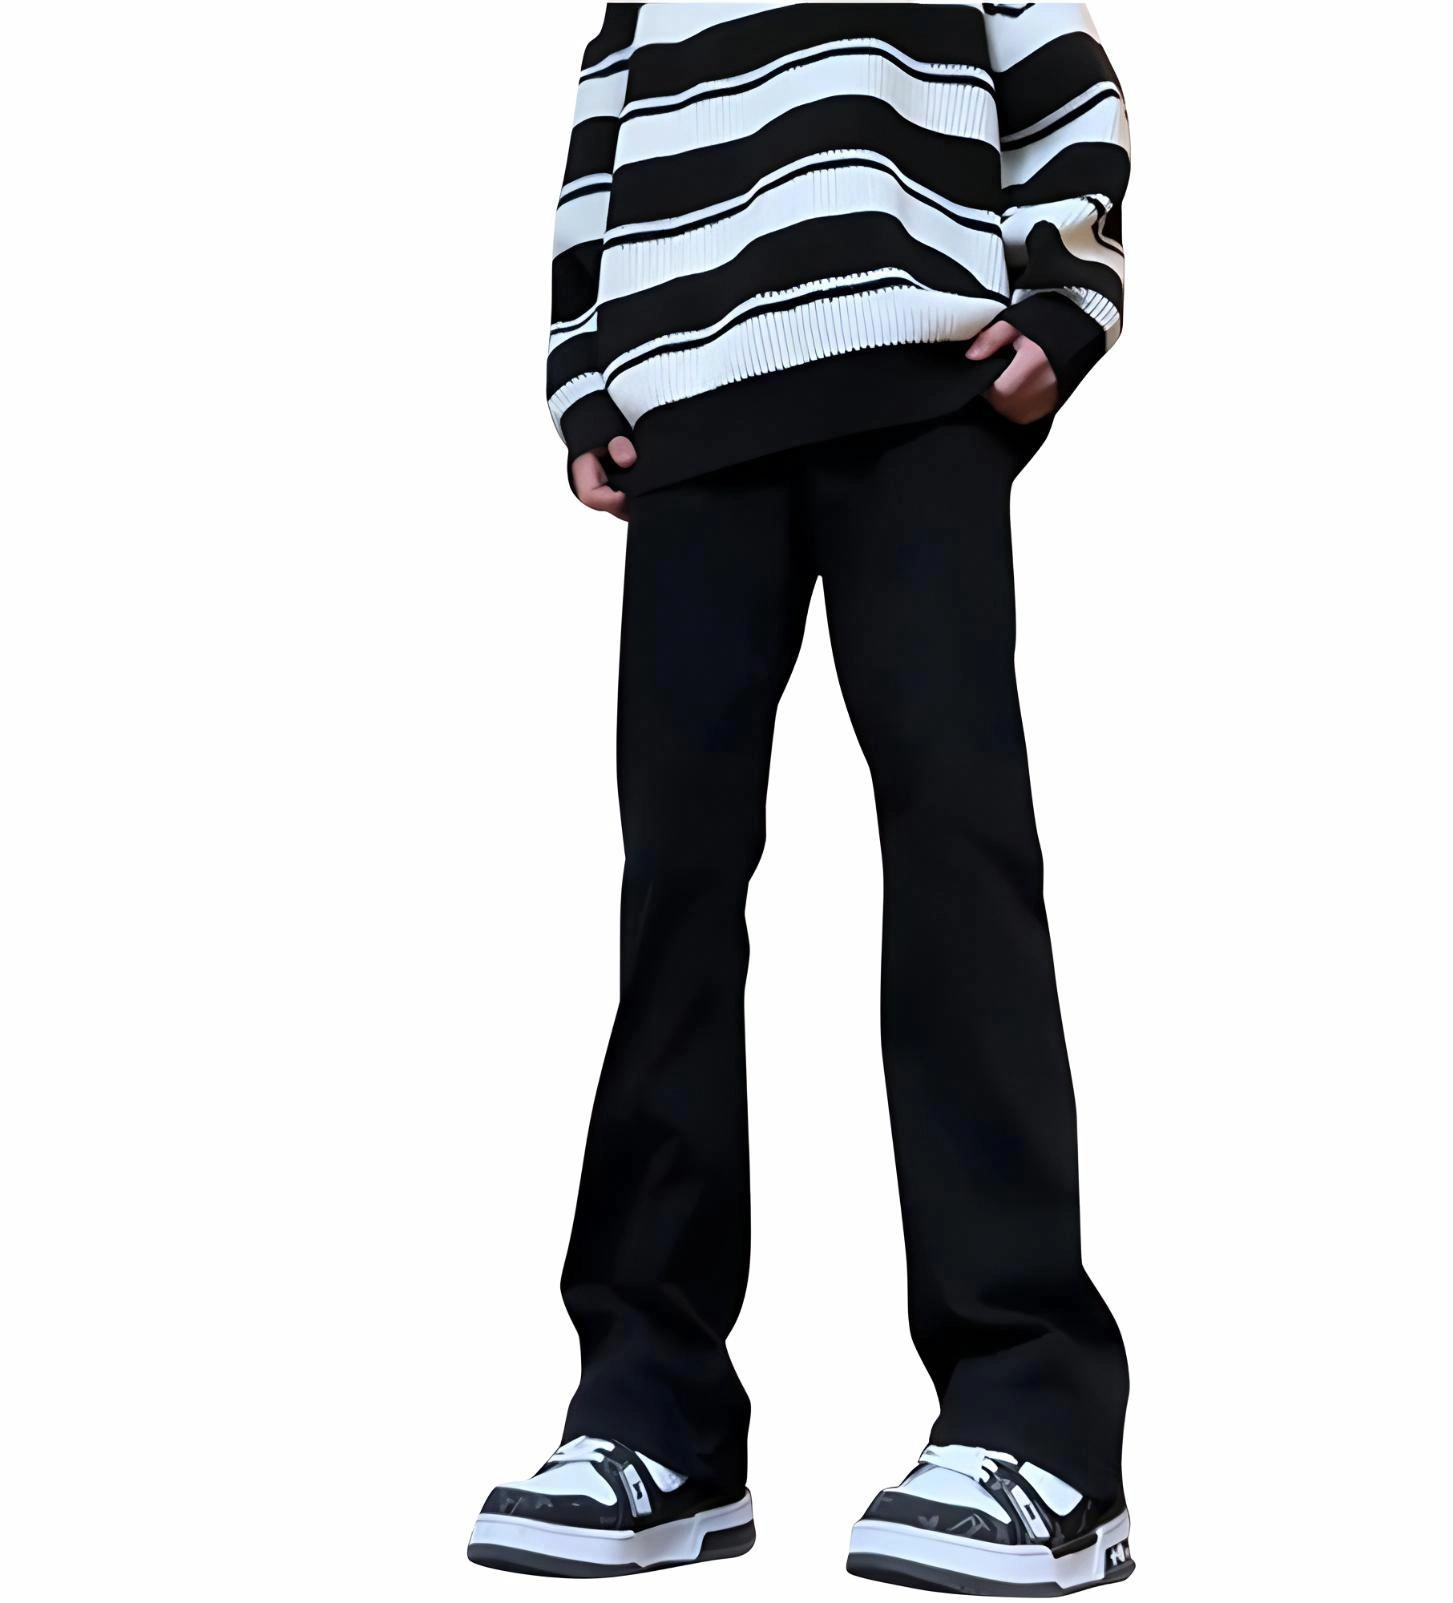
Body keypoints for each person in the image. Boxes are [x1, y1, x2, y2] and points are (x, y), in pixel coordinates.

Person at [466, 4, 1133, 1593]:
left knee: (960, 859)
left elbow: (1066, 89)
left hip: (920, 388)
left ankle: (1033, 1415)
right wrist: (581, 376)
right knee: (674, 902)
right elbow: (599, 152)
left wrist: (1065, 297)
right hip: (690, 422)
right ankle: (655, 1415)